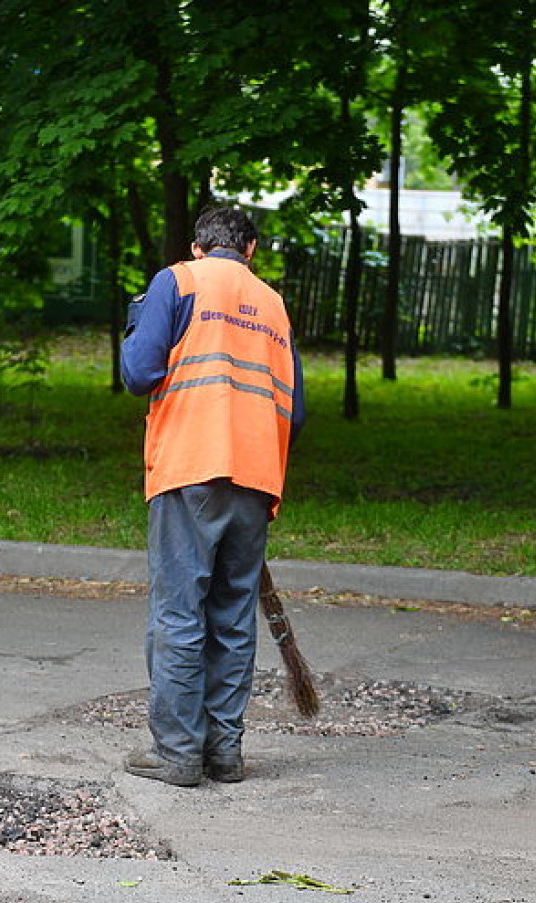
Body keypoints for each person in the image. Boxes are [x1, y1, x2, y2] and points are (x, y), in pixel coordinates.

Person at [120, 206, 305, 787]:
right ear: (251, 248)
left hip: (190, 470)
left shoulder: (178, 280)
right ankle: (225, 752)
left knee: (178, 613)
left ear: (199, 247)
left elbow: (138, 372)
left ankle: (177, 752)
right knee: (231, 617)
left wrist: (137, 322)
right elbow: (293, 411)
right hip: (255, 479)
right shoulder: (273, 304)